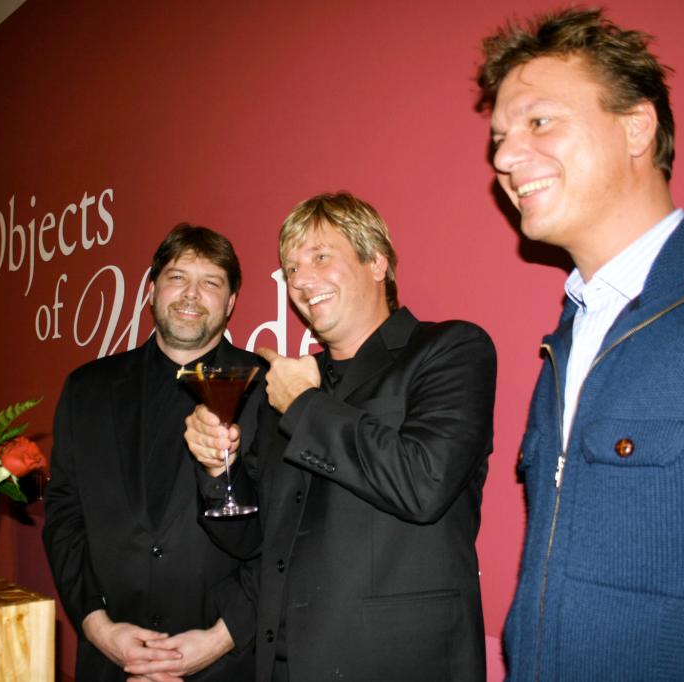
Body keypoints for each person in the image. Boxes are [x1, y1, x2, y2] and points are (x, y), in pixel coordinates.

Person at [477, 8, 684, 680]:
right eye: (500, 138)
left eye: (539, 121)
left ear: (637, 126)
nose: (505, 158)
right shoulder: (568, 337)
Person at [184, 192, 497, 681]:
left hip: (398, 666)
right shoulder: (284, 386)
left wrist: (306, 406)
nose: (301, 280)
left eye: (321, 257)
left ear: (377, 261)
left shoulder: (450, 348)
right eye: (290, 269)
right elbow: (250, 540)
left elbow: (423, 484)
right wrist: (215, 466)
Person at [43, 224, 261, 682]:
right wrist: (98, 627)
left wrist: (223, 636)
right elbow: (65, 516)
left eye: (211, 283)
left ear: (232, 302)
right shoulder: (87, 390)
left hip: (227, 666)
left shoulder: (269, 389)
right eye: (177, 277)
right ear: (151, 288)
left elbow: (289, 533)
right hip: (111, 663)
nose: (191, 295)